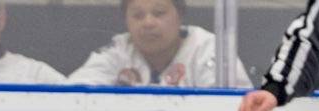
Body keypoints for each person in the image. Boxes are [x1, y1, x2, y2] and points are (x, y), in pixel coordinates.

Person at [69, 0, 251, 88]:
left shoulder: (207, 47)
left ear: (179, 16)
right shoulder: (118, 50)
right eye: (138, 16)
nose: (148, 23)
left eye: (159, 13)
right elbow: (72, 95)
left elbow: (236, 106)